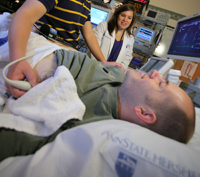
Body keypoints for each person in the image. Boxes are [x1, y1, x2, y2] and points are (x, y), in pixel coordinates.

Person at [0, 47, 195, 162]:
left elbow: (19, 142)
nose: (156, 74)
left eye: (160, 84)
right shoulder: (118, 75)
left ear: (144, 113)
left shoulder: (87, 127)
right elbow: (69, 57)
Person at [6, 0, 125, 98]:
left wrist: (103, 61)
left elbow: (89, 36)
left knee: (114, 81)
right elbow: (24, 15)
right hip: (52, 55)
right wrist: (15, 62)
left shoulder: (85, 1)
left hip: (69, 59)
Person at [88, 3, 136, 69]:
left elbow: (127, 58)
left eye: (129, 18)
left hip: (112, 74)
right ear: (117, 15)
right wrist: (100, 66)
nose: (125, 19)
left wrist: (119, 71)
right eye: (123, 15)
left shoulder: (130, 38)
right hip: (94, 67)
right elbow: (93, 47)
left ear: (131, 21)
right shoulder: (104, 26)